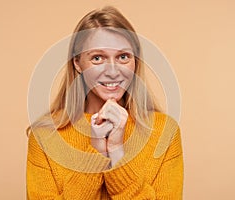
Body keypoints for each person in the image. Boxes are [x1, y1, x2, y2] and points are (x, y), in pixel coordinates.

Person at [26, 6, 183, 199]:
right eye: (97, 58)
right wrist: (96, 153)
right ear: (77, 63)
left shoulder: (164, 132)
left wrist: (117, 153)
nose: (112, 71)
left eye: (123, 57)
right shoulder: (44, 136)